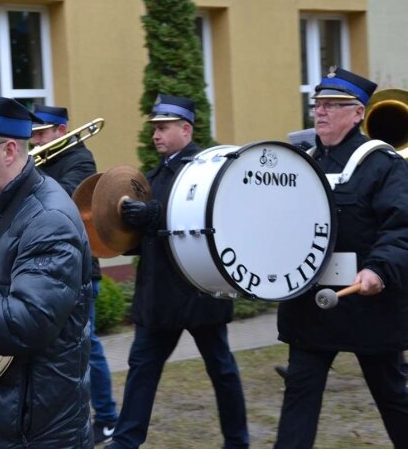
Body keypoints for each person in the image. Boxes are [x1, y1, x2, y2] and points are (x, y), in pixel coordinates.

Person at [274, 67, 408, 448]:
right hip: (312, 306)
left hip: (370, 306)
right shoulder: (302, 165)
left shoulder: (384, 165)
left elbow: (401, 227)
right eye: (317, 104)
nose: (321, 112)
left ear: (358, 113)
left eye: (333, 105)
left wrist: (379, 270)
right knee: (299, 395)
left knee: (393, 397)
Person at [106, 95, 249, 449]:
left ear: (186, 129)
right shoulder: (153, 175)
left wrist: (155, 215)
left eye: (164, 128)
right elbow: (145, 235)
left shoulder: (207, 169)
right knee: (141, 370)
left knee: (222, 370)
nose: (156, 135)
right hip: (159, 295)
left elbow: (214, 216)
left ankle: (238, 441)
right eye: (154, 128)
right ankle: (125, 442)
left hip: (199, 289)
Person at [31, 104, 119, 444]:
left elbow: (61, 201)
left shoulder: (80, 160)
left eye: (42, 133)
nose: (35, 140)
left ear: (61, 129)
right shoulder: (46, 161)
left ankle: (108, 417)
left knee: (88, 347)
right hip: (53, 270)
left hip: (82, 269)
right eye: (33, 134)